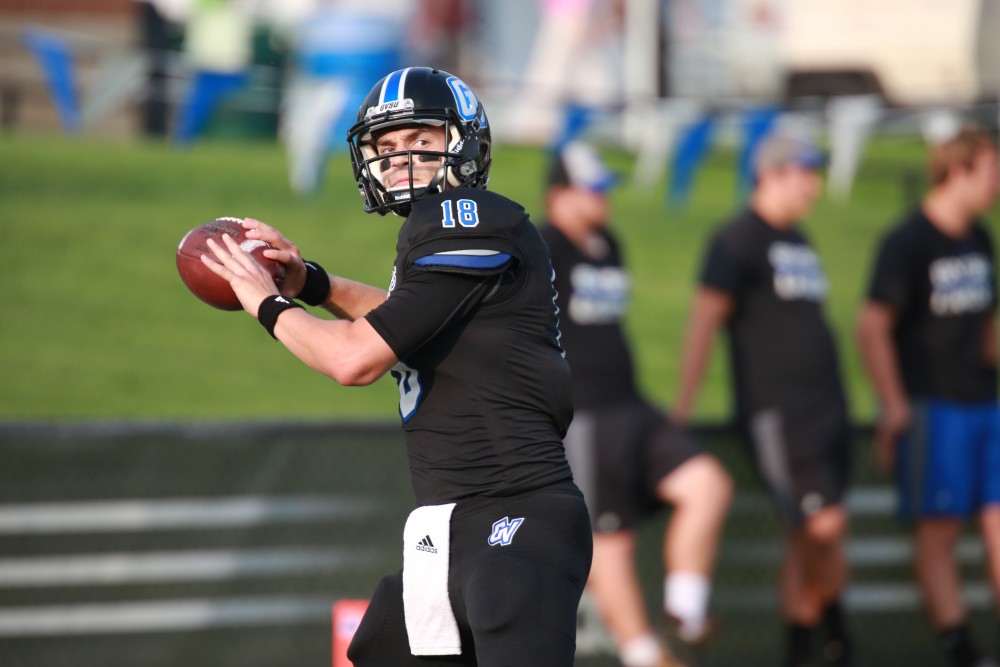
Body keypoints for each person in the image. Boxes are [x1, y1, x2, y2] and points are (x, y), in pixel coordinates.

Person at [199, 66, 593, 667]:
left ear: (464, 143)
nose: (401, 159)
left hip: (515, 517)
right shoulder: (431, 236)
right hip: (444, 530)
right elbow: (404, 319)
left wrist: (264, 300)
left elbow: (354, 357)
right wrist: (312, 282)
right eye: (386, 147)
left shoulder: (475, 217)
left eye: (419, 141)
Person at [538, 141, 732, 667]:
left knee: (707, 485)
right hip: (584, 413)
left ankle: (686, 612)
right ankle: (643, 654)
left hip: (632, 405)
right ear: (560, 195)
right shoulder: (541, 246)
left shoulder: (609, 244)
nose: (605, 197)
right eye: (592, 187)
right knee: (609, 537)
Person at [673, 132, 854, 667]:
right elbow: (704, 322)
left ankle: (801, 650)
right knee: (823, 527)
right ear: (772, 174)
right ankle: (840, 637)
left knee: (805, 536)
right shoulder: (737, 239)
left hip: (827, 410)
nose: (813, 184)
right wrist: (683, 407)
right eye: (805, 171)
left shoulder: (799, 240)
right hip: (779, 415)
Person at [856, 124, 1000, 667]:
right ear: (958, 172)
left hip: (985, 401)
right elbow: (872, 327)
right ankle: (958, 645)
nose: (997, 185)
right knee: (939, 529)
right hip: (934, 407)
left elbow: (986, 323)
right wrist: (893, 405)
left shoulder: (981, 238)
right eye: (990, 173)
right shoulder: (908, 242)